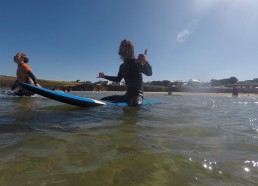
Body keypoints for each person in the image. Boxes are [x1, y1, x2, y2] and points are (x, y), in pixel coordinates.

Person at [98, 39, 152, 106]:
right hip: (127, 96)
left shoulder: (136, 63)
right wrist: (104, 76)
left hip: (137, 96)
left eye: (123, 45)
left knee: (136, 105)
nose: (120, 47)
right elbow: (118, 79)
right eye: (120, 45)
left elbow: (149, 73)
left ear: (129, 49)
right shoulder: (122, 66)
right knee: (103, 99)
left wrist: (146, 62)